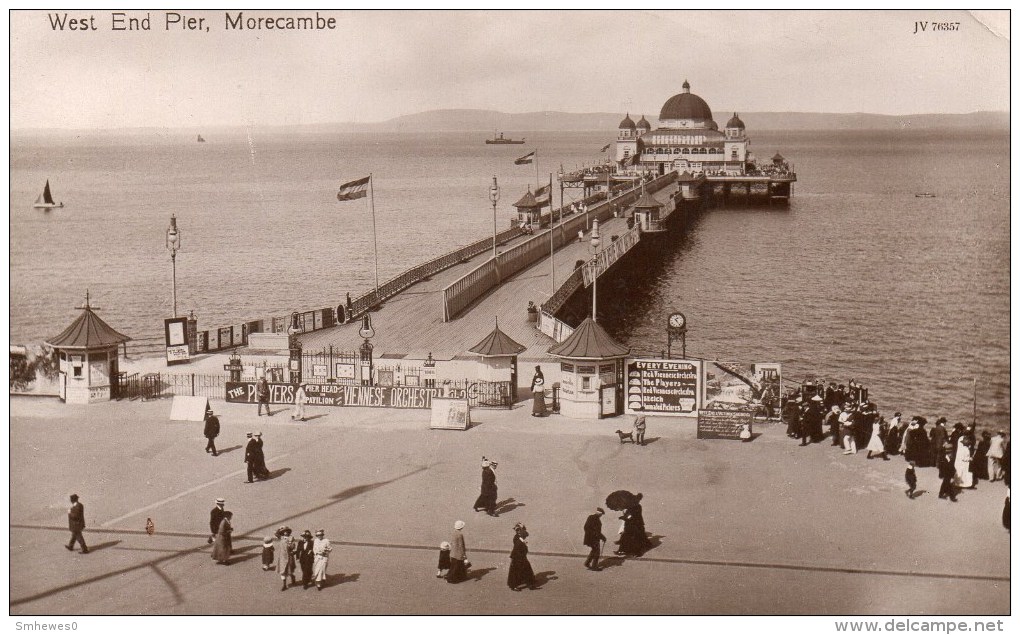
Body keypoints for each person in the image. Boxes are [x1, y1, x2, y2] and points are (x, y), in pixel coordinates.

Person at [507, 523, 536, 591]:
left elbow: (526, 534)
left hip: (521, 557)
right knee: (517, 571)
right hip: (517, 558)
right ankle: (514, 586)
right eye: (518, 530)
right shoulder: (517, 538)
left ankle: (530, 583)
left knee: (526, 569)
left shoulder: (520, 537)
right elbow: (515, 549)